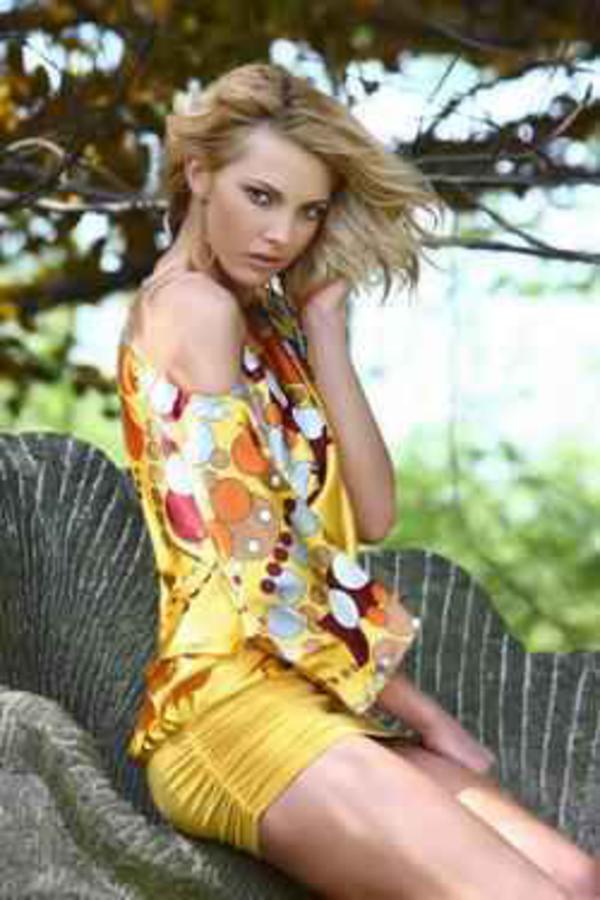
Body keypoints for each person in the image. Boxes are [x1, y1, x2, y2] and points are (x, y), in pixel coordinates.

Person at [116, 62, 599, 899]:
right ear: (197, 174)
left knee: (577, 878)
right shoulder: (195, 309)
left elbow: (373, 511)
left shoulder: (268, 321)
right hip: (228, 709)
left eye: (309, 211)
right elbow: (263, 568)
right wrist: (426, 714)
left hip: (311, 695)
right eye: (261, 196)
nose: (282, 235)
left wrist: (325, 322)